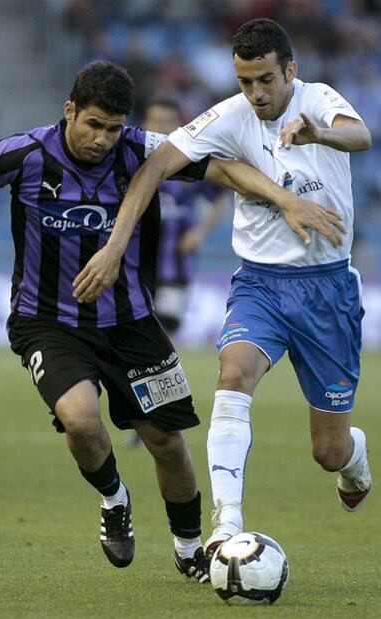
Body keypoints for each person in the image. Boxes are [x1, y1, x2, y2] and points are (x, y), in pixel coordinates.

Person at [0, 60, 343, 581]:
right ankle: (113, 497)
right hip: (47, 321)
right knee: (80, 418)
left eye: (113, 128)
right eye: (93, 125)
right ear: (69, 110)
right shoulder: (25, 154)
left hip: (132, 323)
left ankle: (189, 546)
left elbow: (224, 168)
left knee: (166, 442)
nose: (102, 140)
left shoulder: (141, 150)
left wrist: (285, 199)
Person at [70, 19, 373, 559]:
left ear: (290, 72)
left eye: (265, 81)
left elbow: (361, 134)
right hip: (259, 284)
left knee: (329, 451)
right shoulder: (231, 116)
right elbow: (155, 166)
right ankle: (226, 524)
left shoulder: (318, 98)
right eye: (245, 81)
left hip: (327, 289)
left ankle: (355, 458)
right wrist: (115, 246)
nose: (255, 94)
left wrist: (317, 133)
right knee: (232, 375)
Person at [142, 98, 227, 335]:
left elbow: (219, 202)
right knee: (138, 326)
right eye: (155, 121)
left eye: (167, 122)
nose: (160, 127)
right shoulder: (132, 159)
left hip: (176, 261)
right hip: (136, 261)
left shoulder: (190, 161)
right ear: (145, 122)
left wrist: (199, 233)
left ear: (178, 126)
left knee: (166, 327)